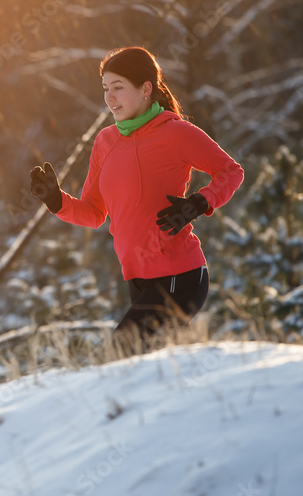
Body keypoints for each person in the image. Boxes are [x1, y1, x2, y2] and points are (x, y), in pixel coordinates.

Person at [29, 46, 244, 341]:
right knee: (160, 364)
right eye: (105, 88)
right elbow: (94, 213)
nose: (109, 97)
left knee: (122, 348)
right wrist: (57, 201)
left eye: (118, 88)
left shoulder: (176, 133)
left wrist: (199, 202)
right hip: (137, 277)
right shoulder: (106, 142)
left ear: (145, 89)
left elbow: (231, 171)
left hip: (178, 274)